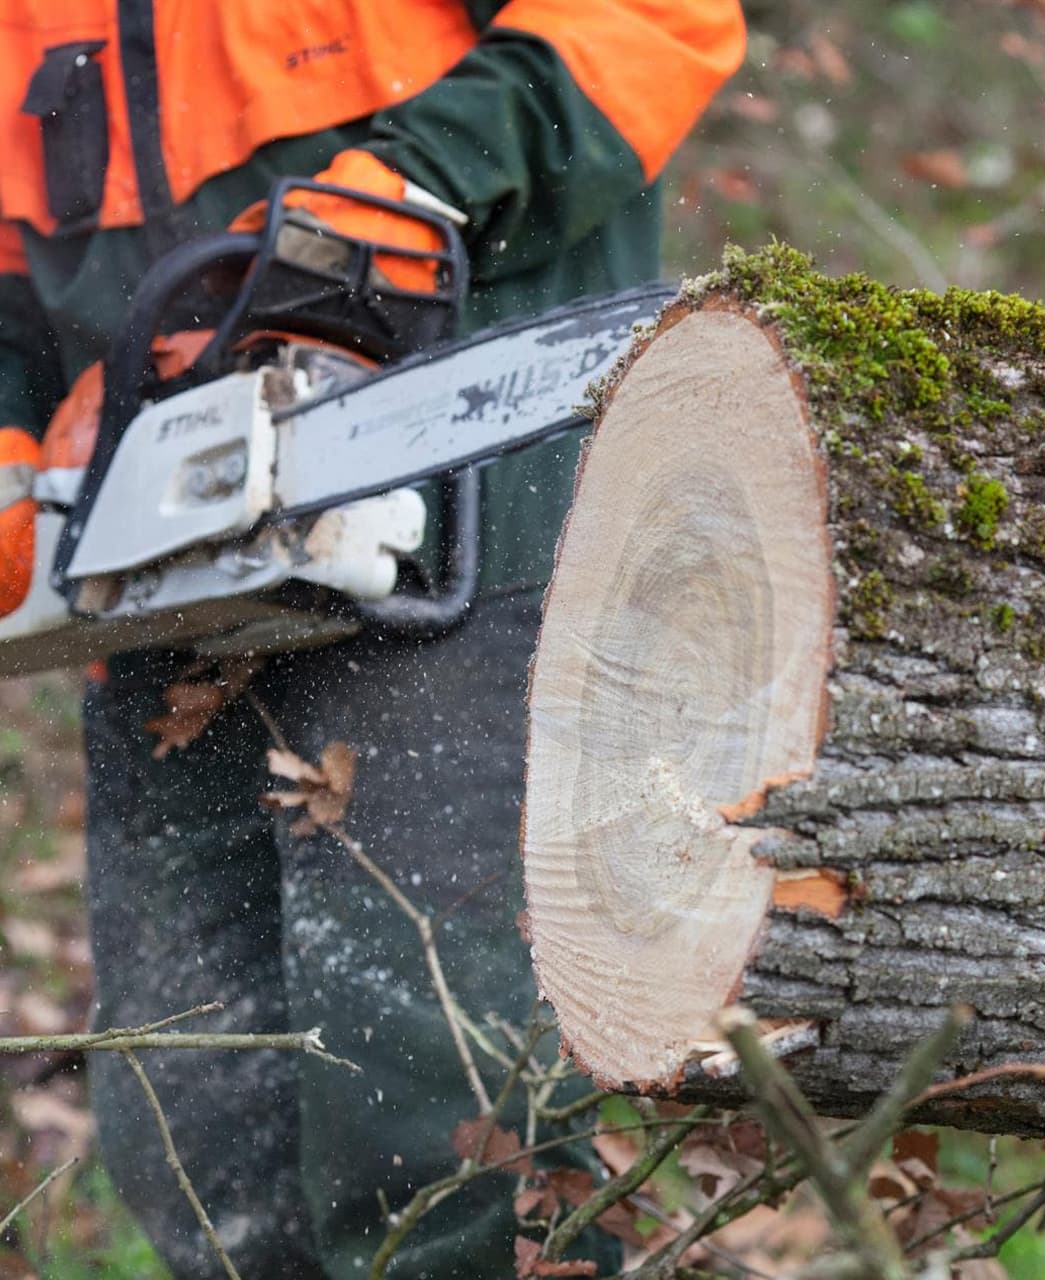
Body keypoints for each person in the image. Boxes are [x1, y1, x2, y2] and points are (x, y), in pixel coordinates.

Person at [0, 4, 746, 1276]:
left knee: (430, 1113)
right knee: (197, 1120)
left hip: (458, 531)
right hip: (161, 580)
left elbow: (651, 20)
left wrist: (409, 186)